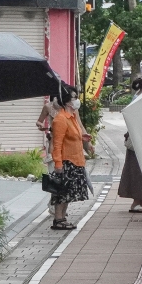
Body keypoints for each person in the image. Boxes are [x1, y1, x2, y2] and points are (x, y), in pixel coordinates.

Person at [48, 88, 92, 229]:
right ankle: (58, 219)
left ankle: (62, 219)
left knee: (68, 193)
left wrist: (85, 140)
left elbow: (74, 136)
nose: (76, 100)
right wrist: (58, 163)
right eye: (74, 98)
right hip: (67, 161)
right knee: (62, 192)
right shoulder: (61, 119)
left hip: (76, 160)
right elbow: (57, 144)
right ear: (67, 101)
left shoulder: (72, 118)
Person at [118, 74, 142, 213]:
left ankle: (139, 201)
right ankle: (136, 202)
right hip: (139, 140)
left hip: (140, 139)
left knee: (139, 170)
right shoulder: (141, 99)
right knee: (138, 171)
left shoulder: (138, 97)